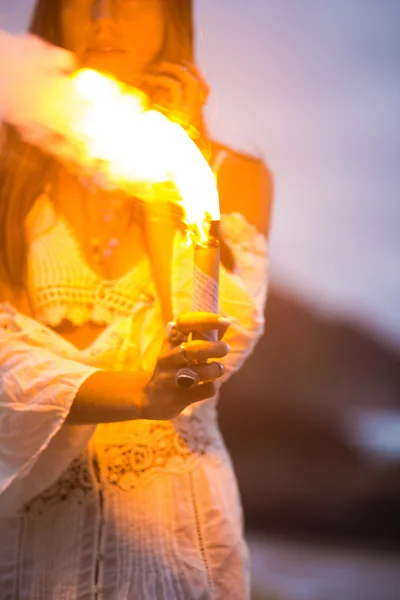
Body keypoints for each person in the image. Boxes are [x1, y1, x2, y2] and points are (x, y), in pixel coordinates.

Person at [0, 0, 272, 598]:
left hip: (176, 532)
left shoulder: (234, 173)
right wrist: (139, 392)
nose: (103, 18)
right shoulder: (7, 168)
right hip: (34, 526)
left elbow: (209, 344)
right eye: (82, 2)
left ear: (171, 16)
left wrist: (174, 167)